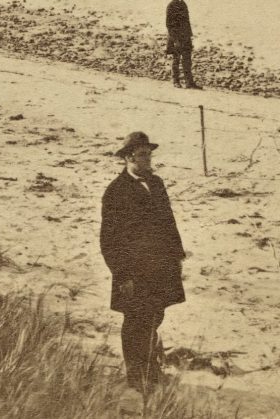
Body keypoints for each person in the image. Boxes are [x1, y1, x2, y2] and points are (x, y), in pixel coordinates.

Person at [100, 131, 186, 394]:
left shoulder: (157, 183)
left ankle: (151, 368)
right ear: (128, 158)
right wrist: (122, 274)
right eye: (142, 155)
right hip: (134, 271)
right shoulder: (116, 191)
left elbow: (168, 222)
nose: (148, 159)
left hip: (161, 266)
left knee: (155, 315)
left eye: (149, 154)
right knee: (135, 320)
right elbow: (109, 239)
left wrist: (177, 256)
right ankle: (135, 375)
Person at [165, 0, 201, 89]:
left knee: (187, 60)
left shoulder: (184, 4)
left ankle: (189, 82)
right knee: (176, 59)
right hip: (176, 37)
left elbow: (187, 22)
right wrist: (175, 40)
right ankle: (176, 81)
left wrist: (190, 36)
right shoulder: (171, 5)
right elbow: (169, 25)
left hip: (185, 37)